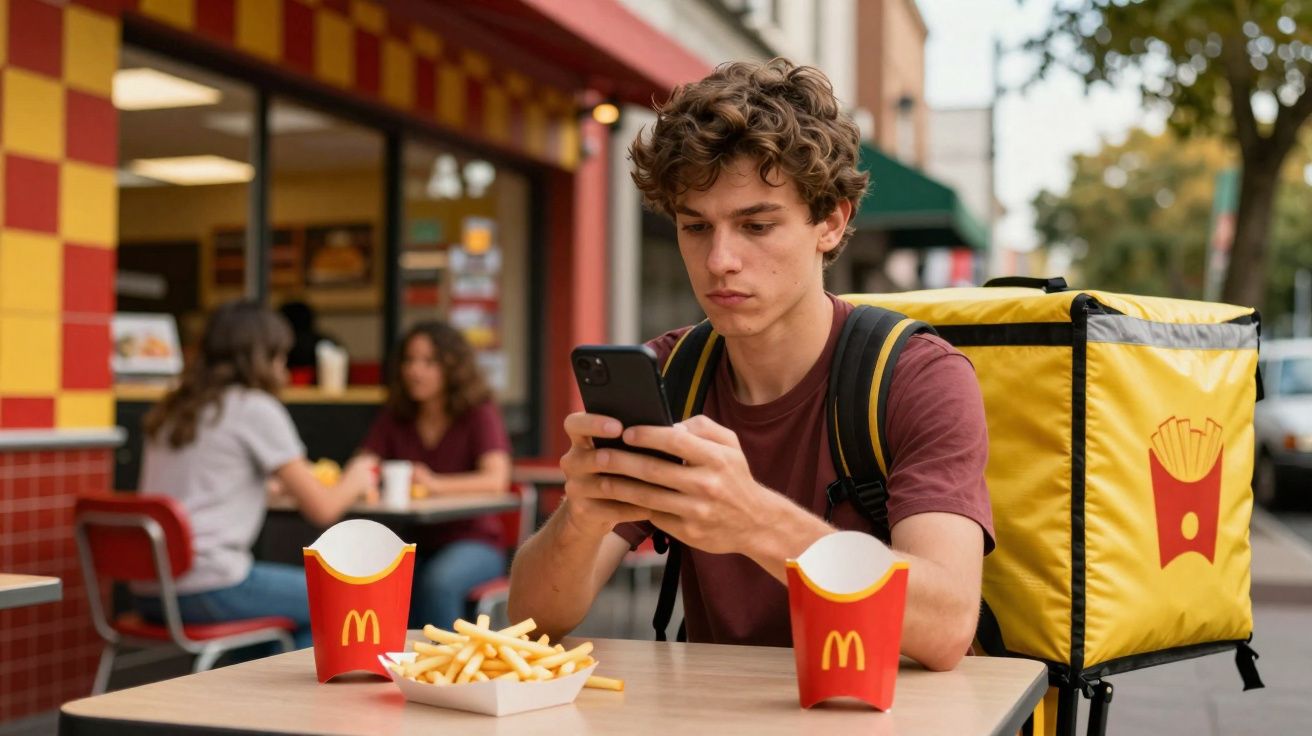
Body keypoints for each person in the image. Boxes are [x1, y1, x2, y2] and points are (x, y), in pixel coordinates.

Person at [508, 59, 994, 671]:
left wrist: (756, 522)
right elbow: (531, 618)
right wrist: (583, 514)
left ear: (831, 221)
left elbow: (947, 627)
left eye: (756, 225)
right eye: (694, 226)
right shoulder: (671, 371)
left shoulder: (919, 376)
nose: (720, 260)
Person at [134, 300, 377, 649]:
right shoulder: (254, 407)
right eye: (280, 356)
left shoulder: (173, 408)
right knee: (345, 595)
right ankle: (305, 701)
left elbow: (203, 485)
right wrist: (357, 476)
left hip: (150, 589)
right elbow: (323, 509)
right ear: (263, 358)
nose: (284, 368)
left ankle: (259, 691)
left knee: (284, 625)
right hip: (210, 586)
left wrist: (259, 487)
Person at [354, 321, 512, 627]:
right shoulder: (397, 414)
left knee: (438, 581)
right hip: (411, 539)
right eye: (409, 361)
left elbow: (496, 479)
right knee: (364, 575)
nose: (415, 370)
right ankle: (391, 666)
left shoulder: (477, 411)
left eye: (429, 362)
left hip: (475, 540)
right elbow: (364, 464)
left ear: (452, 366)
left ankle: (446, 669)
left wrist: (435, 484)